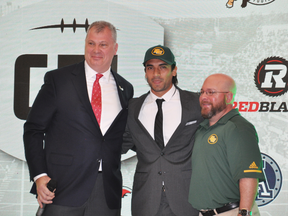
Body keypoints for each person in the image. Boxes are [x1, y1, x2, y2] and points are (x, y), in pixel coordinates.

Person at [23, 20, 134, 216]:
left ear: (115, 48)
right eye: (91, 43)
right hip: (62, 188)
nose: (96, 50)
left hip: (106, 193)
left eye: (103, 44)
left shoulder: (125, 88)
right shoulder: (59, 80)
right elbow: (33, 129)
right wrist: (39, 176)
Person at [122, 45, 203, 216]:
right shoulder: (133, 107)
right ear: (145, 72)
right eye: (150, 68)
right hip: (146, 199)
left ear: (174, 71)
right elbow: (119, 144)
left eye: (163, 67)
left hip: (187, 198)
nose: (156, 73)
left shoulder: (196, 104)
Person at [188, 73, 265, 216]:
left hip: (231, 212)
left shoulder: (238, 128)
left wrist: (244, 213)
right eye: (202, 92)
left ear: (229, 97)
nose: (204, 97)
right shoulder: (202, 128)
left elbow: (248, 175)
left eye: (211, 92)